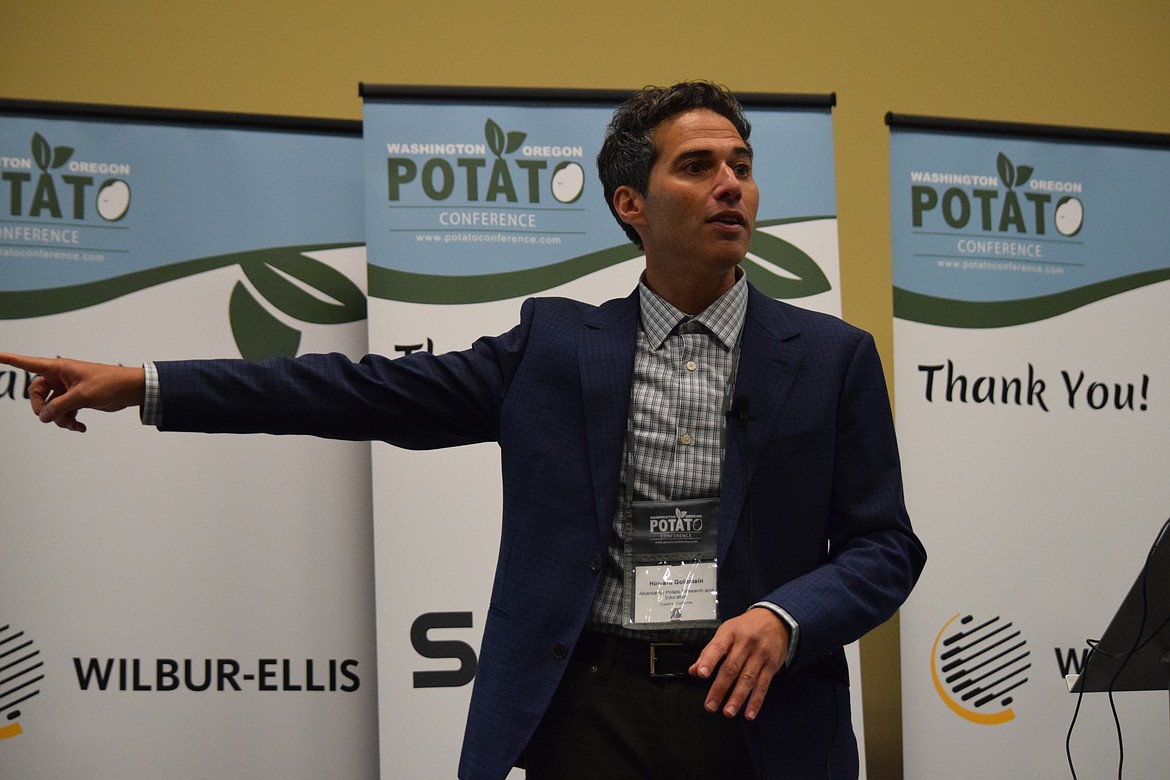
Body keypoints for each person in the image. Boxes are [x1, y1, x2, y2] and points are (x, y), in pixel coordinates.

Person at [0, 81, 925, 779]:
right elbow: (351, 391)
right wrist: (143, 383)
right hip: (588, 714)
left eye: (742, 167)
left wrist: (784, 616)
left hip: (761, 719)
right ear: (630, 205)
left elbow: (885, 547)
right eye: (698, 167)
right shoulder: (556, 349)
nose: (732, 186)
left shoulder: (831, 356)